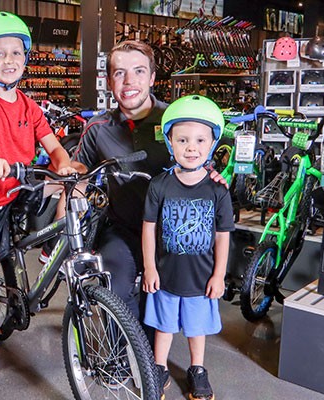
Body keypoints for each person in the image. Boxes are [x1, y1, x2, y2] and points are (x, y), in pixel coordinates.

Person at [71, 40, 225, 320]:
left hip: (171, 232)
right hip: (124, 230)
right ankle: (121, 358)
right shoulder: (98, 129)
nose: (129, 81)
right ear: (109, 81)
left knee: (163, 306)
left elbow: (205, 159)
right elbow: (78, 172)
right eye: (119, 73)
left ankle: (151, 355)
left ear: (153, 77)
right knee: (113, 287)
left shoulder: (176, 120)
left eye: (139, 71)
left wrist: (212, 173)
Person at [0, 11, 74, 378]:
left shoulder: (29, 105)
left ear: (25, 58)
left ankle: (46, 249)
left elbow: (53, 146)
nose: (8, 61)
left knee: (68, 188)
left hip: (21, 187)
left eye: (16, 53)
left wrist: (64, 163)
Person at [142, 95, 233, 400]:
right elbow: (149, 227)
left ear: (211, 144)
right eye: (182, 140)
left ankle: (197, 369)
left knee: (196, 328)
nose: (191, 147)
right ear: (170, 142)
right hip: (166, 274)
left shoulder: (218, 189)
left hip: (201, 277)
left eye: (199, 140)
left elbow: (223, 235)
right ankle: (158, 367)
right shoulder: (159, 185)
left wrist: (219, 275)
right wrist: (150, 267)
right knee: (164, 326)